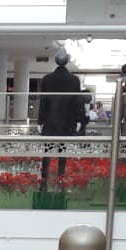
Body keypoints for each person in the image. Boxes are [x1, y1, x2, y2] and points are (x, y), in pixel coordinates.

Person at [37, 49, 84, 189]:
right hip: (67, 122)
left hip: (50, 121)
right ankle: (60, 180)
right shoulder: (74, 80)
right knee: (62, 153)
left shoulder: (47, 79)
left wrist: (40, 121)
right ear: (67, 61)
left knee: (47, 152)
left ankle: (44, 182)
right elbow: (77, 102)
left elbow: (43, 102)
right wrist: (78, 120)